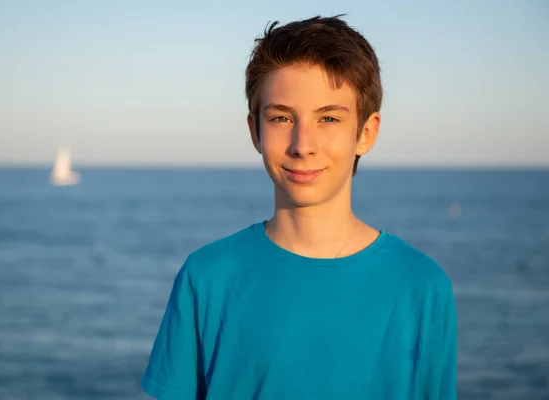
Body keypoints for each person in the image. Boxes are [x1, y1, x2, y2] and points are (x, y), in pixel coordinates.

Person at [140, 14, 457, 399]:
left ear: (366, 132)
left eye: (328, 118)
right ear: (255, 130)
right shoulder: (206, 277)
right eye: (281, 117)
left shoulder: (421, 286)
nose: (302, 144)